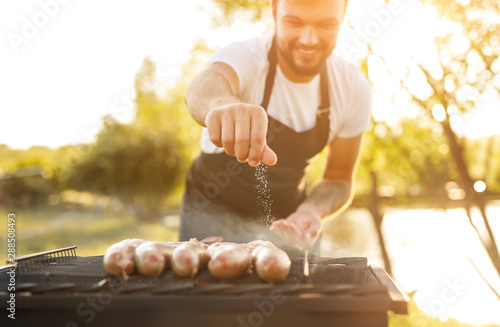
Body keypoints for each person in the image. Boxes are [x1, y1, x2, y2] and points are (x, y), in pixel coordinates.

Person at [179, 0, 371, 254]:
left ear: (343, 15)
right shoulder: (248, 56)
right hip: (211, 213)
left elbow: (339, 179)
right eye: (294, 22)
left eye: (326, 24)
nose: (309, 39)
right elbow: (204, 87)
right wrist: (221, 104)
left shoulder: (352, 88)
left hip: (289, 222)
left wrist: (312, 210)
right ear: (274, 11)